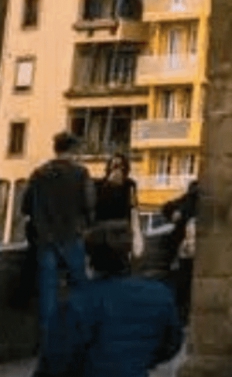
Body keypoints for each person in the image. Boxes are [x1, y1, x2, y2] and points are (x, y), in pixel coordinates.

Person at [35, 220, 183, 377]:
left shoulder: (79, 302)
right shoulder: (159, 294)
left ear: (90, 259)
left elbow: (57, 358)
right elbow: (171, 344)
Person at [23, 132, 96, 342]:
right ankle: (79, 336)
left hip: (45, 239)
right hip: (72, 236)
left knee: (48, 292)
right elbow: (90, 204)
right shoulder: (81, 173)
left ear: (55, 148)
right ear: (73, 149)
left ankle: (48, 341)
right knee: (79, 288)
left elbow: (26, 206)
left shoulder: (39, 174)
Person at [161, 180, 199, 324]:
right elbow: (168, 207)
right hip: (187, 252)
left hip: (189, 252)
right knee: (183, 286)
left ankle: (182, 315)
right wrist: (174, 213)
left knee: (184, 287)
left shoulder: (190, 201)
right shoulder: (189, 201)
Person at [95, 153, 141, 257]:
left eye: (121, 166)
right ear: (109, 167)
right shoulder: (99, 185)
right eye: (115, 165)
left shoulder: (129, 185)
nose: (118, 169)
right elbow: (97, 207)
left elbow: (133, 209)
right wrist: (109, 185)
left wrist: (136, 234)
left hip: (121, 233)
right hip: (102, 233)